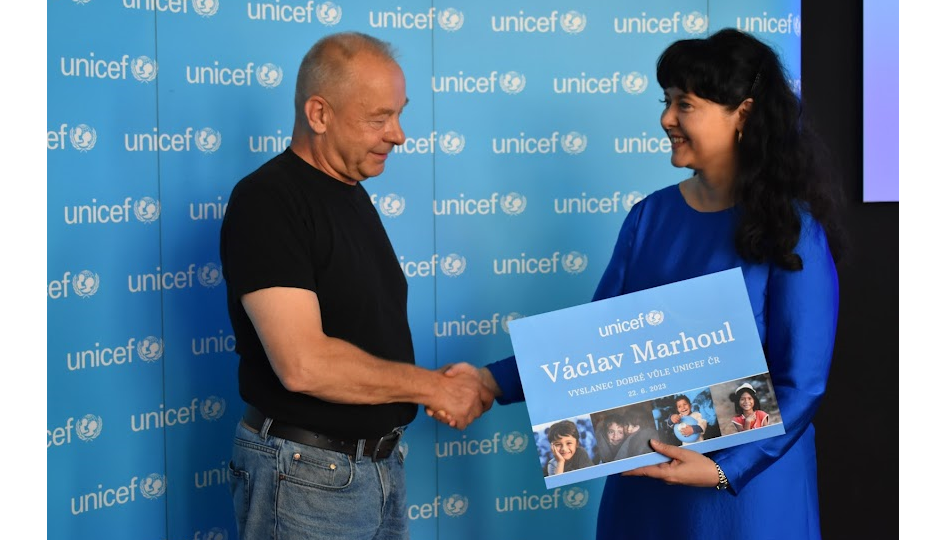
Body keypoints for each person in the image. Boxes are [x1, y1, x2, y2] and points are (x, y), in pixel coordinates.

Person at [439, 28, 844, 539]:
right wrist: (489, 381)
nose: (666, 119)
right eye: (666, 101)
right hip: (646, 481)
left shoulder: (793, 229)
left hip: (746, 496)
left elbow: (802, 383)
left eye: (684, 104)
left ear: (742, 113)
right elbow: (593, 347)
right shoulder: (650, 217)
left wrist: (724, 470)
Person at [220, 32, 494, 540]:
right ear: (319, 114)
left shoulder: (349, 192)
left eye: (399, 115)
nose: (399, 135)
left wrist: (461, 384)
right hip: (306, 477)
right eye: (378, 118)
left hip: (374, 469)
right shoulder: (268, 200)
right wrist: (435, 387)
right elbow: (303, 363)